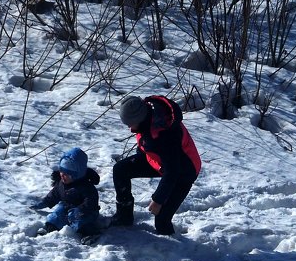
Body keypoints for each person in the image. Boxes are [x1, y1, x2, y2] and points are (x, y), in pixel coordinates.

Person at [111, 95, 201, 235]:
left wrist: (158, 200)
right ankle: (124, 215)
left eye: (129, 123)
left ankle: (172, 250)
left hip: (183, 172)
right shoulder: (148, 117)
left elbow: (172, 171)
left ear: (139, 119)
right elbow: (146, 143)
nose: (129, 127)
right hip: (161, 162)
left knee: (161, 219)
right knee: (120, 170)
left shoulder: (165, 135)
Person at [32, 147, 101, 236]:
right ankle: (50, 227)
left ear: (77, 175)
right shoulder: (61, 184)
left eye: (66, 174)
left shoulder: (86, 187)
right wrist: (44, 203)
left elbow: (91, 202)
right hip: (67, 207)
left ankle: (90, 234)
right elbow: (54, 195)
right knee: (57, 214)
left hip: (86, 212)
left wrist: (79, 210)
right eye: (61, 172)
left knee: (82, 221)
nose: (62, 176)